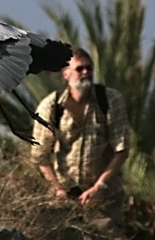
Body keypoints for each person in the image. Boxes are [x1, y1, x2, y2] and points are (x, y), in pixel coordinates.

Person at [31, 48, 130, 235]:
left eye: (89, 68)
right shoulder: (51, 106)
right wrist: (58, 190)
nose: (86, 73)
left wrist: (100, 186)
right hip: (65, 201)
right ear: (66, 74)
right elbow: (40, 156)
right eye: (80, 69)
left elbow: (122, 149)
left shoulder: (109, 100)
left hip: (104, 200)